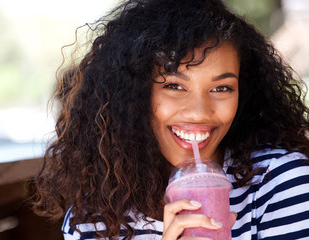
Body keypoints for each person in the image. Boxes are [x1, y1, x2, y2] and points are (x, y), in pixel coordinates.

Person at [31, 0, 309, 239]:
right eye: (174, 85)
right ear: (135, 93)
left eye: (221, 88)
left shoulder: (281, 184)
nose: (199, 112)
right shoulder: (94, 222)